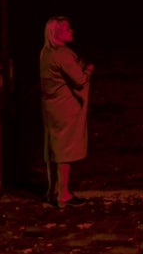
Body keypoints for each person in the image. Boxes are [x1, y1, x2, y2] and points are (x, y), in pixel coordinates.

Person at [40, 16, 94, 208]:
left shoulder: (46, 53)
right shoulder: (63, 54)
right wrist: (88, 70)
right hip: (65, 108)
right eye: (67, 29)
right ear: (57, 33)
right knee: (65, 151)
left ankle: (53, 190)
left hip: (51, 107)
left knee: (54, 150)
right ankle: (64, 194)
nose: (71, 31)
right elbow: (79, 80)